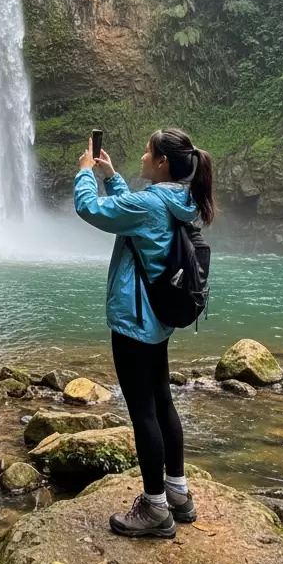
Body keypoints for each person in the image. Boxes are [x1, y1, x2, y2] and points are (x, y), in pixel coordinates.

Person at [74, 128, 216, 539]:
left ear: (162, 163)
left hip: (134, 320)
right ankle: (178, 493)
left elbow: (93, 210)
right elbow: (130, 209)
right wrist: (112, 176)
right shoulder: (179, 199)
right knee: (162, 400)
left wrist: (86, 173)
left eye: (148, 152)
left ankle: (154, 508)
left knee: (143, 412)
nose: (142, 155)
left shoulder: (152, 203)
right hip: (158, 318)